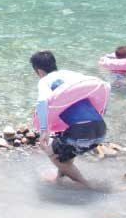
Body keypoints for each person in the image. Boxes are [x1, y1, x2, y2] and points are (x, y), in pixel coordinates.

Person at [31, 51, 107, 186]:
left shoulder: (45, 80)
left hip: (80, 131)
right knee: (65, 150)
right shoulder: (71, 75)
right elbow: (106, 86)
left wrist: (44, 130)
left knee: (53, 154)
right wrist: (102, 112)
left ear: (39, 71)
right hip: (100, 128)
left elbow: (42, 102)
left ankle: (86, 185)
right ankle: (59, 179)